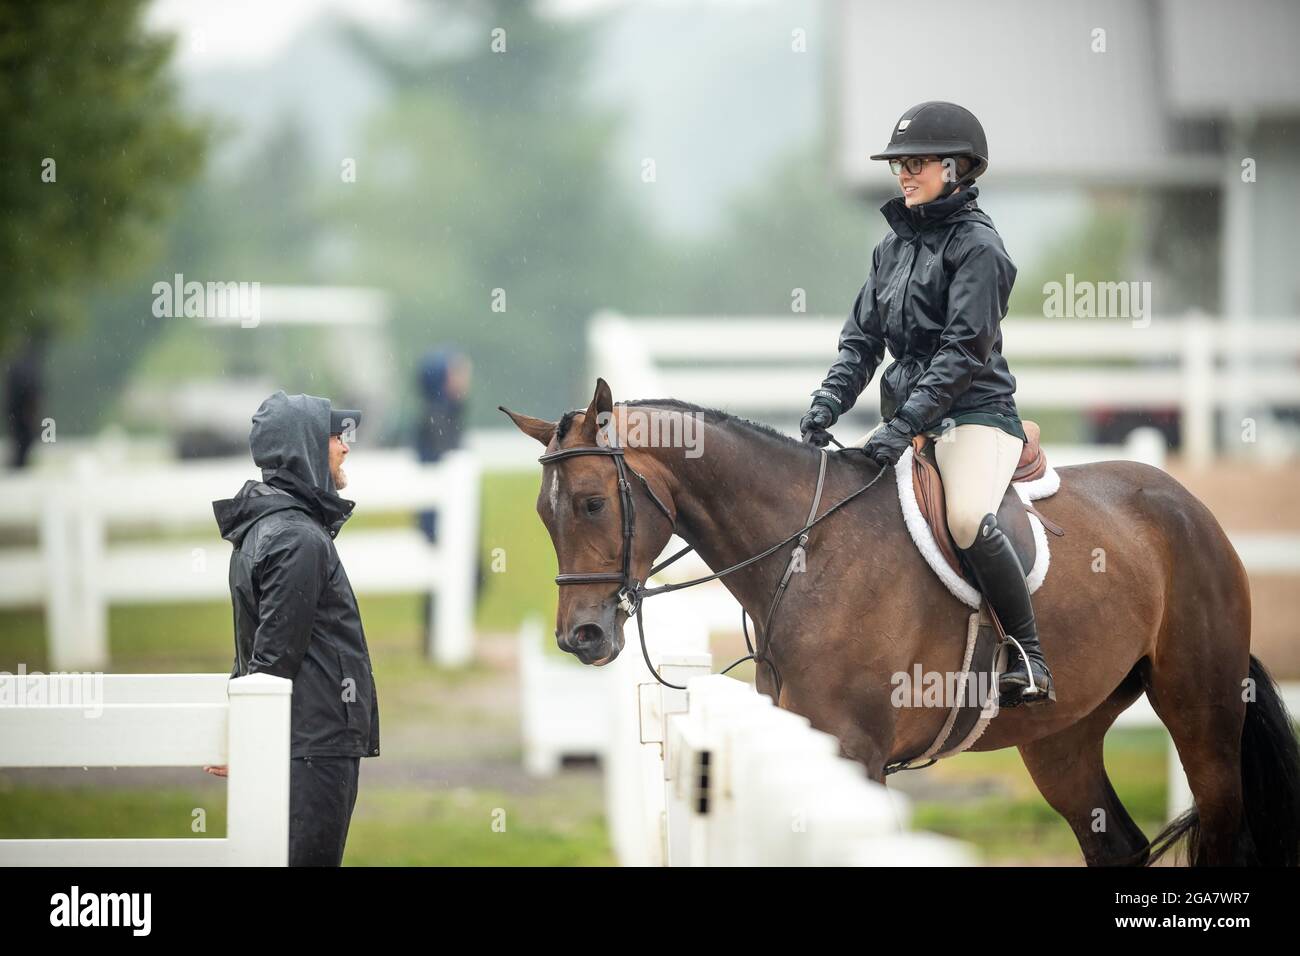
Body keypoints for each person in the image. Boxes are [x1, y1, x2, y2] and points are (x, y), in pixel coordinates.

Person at [799, 101, 1054, 707]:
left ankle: (1029, 654)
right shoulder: (892, 249)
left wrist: (904, 422)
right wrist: (827, 402)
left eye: (914, 163)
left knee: (966, 517)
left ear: (955, 167)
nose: (904, 174)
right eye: (899, 165)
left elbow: (963, 351)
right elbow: (861, 341)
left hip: (975, 417)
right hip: (913, 422)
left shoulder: (980, 248)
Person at [208, 391, 381, 864]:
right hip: (311, 746)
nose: (346, 447)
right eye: (335, 437)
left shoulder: (269, 529)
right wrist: (245, 733)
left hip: (298, 739)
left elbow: (258, 647)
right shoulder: (297, 538)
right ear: (304, 446)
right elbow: (273, 659)